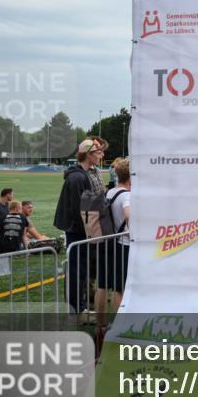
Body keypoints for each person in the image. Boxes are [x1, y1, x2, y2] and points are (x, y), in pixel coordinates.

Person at [54, 138, 108, 315]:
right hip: (78, 230)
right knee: (77, 269)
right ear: (88, 154)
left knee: (82, 268)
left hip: (82, 229)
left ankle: (81, 304)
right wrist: (90, 232)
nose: (102, 155)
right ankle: (76, 307)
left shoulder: (83, 174)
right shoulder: (78, 177)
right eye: (98, 152)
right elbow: (80, 210)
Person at [96, 157, 131, 327]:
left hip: (106, 241)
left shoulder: (110, 192)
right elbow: (128, 215)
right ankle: (118, 326)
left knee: (102, 285)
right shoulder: (127, 196)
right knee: (119, 288)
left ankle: (101, 324)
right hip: (122, 244)